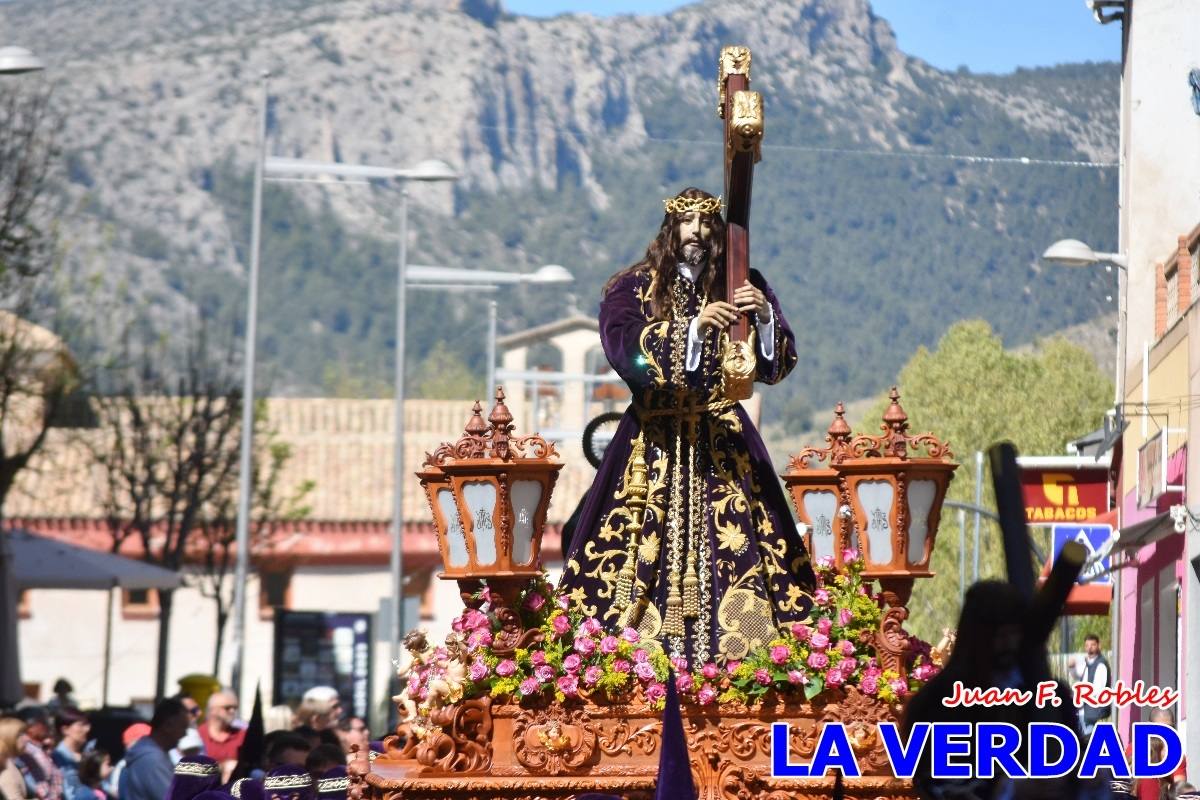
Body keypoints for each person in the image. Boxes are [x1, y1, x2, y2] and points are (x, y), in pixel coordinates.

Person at [559, 186, 815, 665]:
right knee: (621, 568)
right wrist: (693, 329)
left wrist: (762, 318)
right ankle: (619, 665)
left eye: (704, 222)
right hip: (651, 444)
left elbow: (774, 368)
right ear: (669, 229)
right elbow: (623, 349)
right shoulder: (634, 287)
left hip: (723, 443)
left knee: (753, 553)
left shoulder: (741, 282)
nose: (696, 232)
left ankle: (754, 668)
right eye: (686, 222)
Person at [118, 698, 189, 800]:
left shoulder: (150, 754)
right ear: (168, 725)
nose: (185, 734)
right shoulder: (153, 760)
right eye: (183, 727)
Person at [1067, 633, 1112, 736]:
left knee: (1089, 739)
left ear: (1098, 646)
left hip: (1093, 711)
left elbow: (1098, 689)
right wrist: (1071, 667)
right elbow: (1078, 676)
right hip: (1084, 710)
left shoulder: (1101, 664)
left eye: (1092, 645)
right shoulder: (1087, 663)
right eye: (1087, 645)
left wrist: (1080, 696)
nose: (1089, 648)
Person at [12, 709, 62, 800]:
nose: (48, 726)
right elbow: (35, 786)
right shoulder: (25, 750)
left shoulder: (38, 748)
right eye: (44, 722)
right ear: (30, 726)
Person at [198, 693, 243, 772]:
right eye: (227, 708)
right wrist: (223, 767)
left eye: (235, 708)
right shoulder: (198, 735)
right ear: (212, 709)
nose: (232, 711)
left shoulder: (242, 735)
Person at [51, 711, 89, 800]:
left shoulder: (85, 755)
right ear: (65, 729)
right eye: (81, 725)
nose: (87, 729)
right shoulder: (57, 758)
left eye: (87, 725)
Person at [0, 716, 30, 800]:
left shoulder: (10, 764)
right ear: (8, 737)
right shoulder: (6, 771)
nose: (27, 738)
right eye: (20, 735)